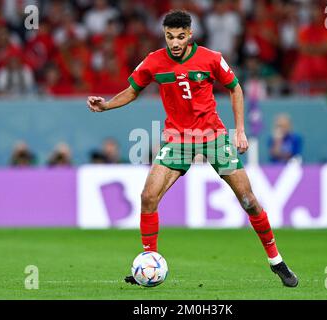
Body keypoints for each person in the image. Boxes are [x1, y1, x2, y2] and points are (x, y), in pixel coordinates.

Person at [87, 10, 298, 287]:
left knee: (248, 200)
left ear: (190, 35)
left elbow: (235, 89)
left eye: (180, 37)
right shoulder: (153, 62)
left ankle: (276, 261)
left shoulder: (211, 58)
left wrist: (240, 130)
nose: (174, 42)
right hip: (177, 138)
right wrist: (106, 105)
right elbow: (132, 89)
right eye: (169, 37)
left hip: (213, 136)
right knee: (148, 196)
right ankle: (149, 262)